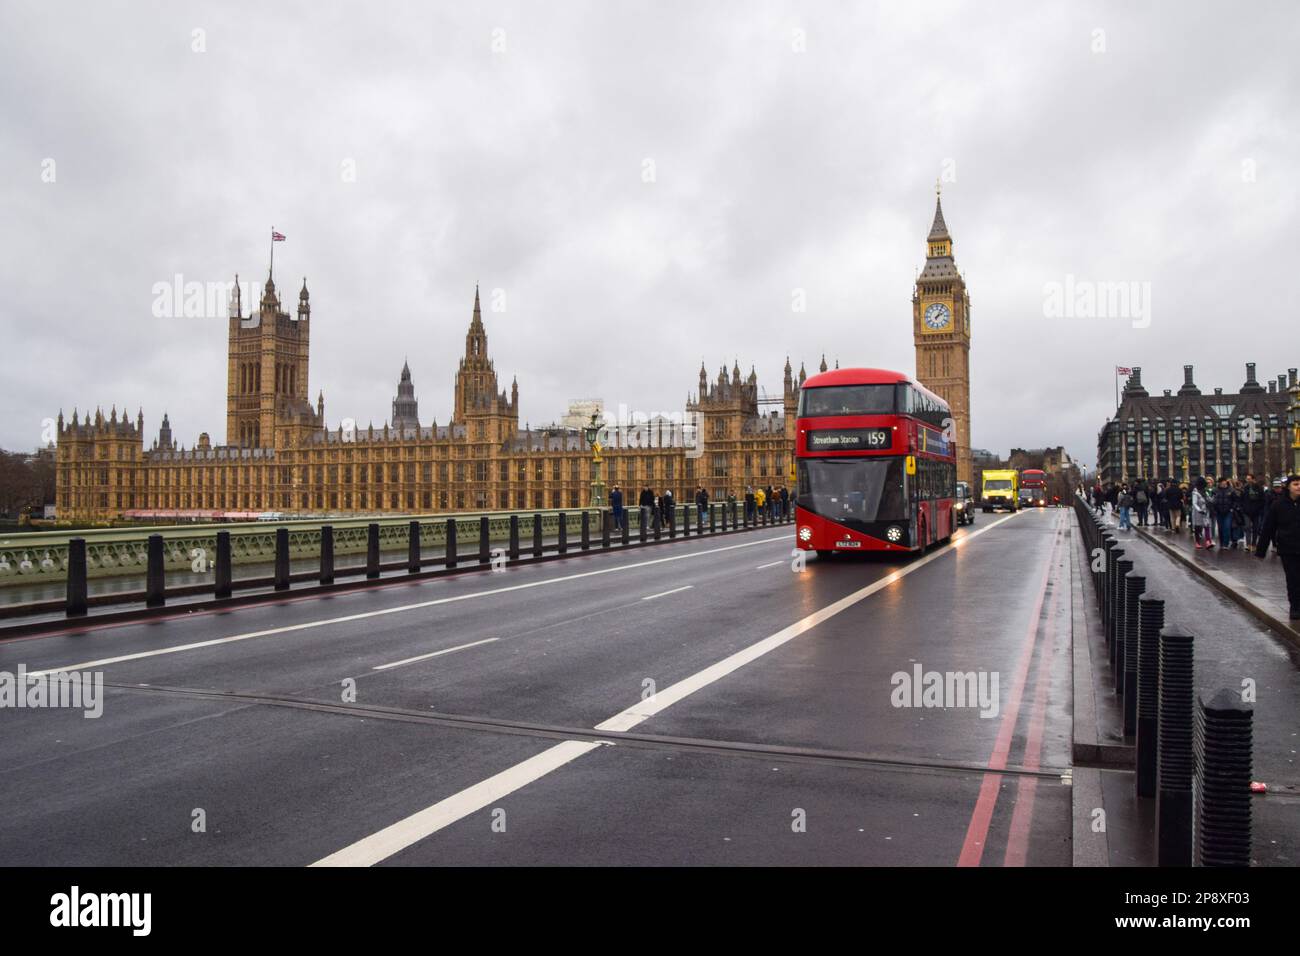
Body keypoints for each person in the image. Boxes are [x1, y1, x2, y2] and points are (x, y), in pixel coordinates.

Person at [1256, 474, 1300, 621]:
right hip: (1288, 548)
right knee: (1293, 579)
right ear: (1288, 487)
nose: (1299, 486)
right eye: (1295, 484)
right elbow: (1268, 527)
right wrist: (1261, 551)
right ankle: (1295, 607)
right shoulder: (1278, 505)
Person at [1241, 474, 1267, 550]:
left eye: (1249, 479)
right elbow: (1242, 499)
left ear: (1253, 479)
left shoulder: (1259, 488)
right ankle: (1248, 544)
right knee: (1247, 527)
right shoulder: (1245, 488)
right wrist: (1243, 508)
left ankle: (1254, 544)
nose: (1247, 480)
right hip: (1246, 511)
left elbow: (1263, 500)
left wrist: (1259, 509)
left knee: (1255, 528)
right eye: (1247, 479)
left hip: (1256, 512)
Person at [1212, 478, 1236, 549]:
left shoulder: (1231, 490)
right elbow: (1212, 500)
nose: (1224, 485)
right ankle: (1221, 543)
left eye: (1225, 483)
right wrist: (1214, 510)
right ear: (1219, 483)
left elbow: (1235, 500)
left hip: (1228, 512)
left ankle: (1226, 544)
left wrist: (1232, 509)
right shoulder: (1215, 490)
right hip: (1219, 512)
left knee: (1227, 527)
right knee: (1220, 528)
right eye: (1222, 484)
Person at [1191, 477, 1213, 550]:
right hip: (1197, 513)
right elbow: (1194, 503)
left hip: (1205, 511)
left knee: (1207, 526)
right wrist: (1199, 510)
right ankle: (1197, 542)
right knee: (1197, 527)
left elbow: (1209, 499)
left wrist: (1212, 499)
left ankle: (1208, 541)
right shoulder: (1195, 492)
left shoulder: (1205, 491)